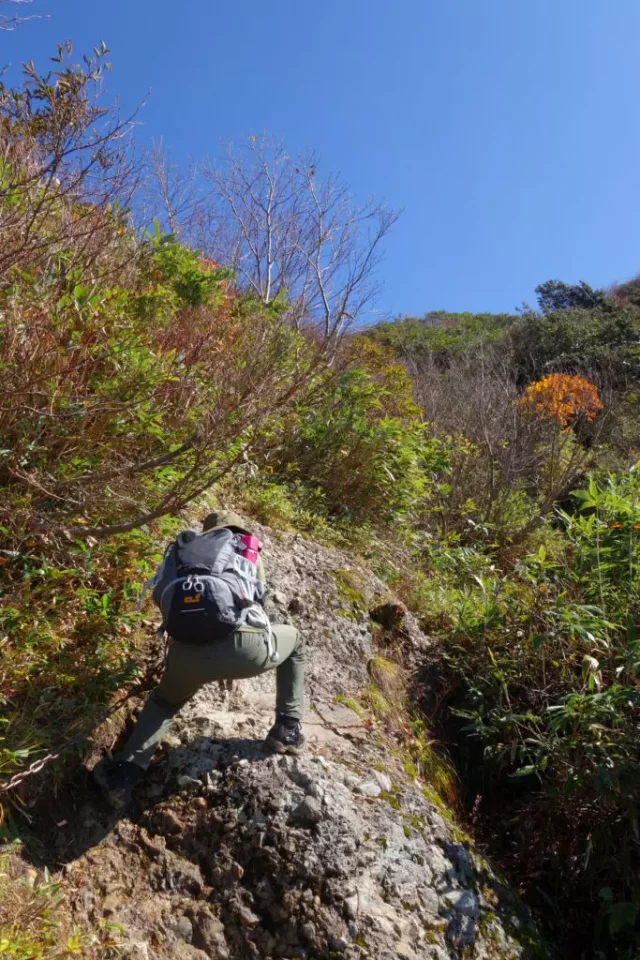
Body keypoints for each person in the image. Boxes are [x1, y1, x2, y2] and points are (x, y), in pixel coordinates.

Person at [93, 510, 306, 808]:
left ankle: (125, 776)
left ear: (206, 531)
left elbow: (159, 598)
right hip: (243, 648)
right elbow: (258, 599)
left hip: (184, 655)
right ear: (237, 528)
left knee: (164, 704)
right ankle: (287, 728)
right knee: (295, 640)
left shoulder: (183, 553)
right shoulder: (245, 547)